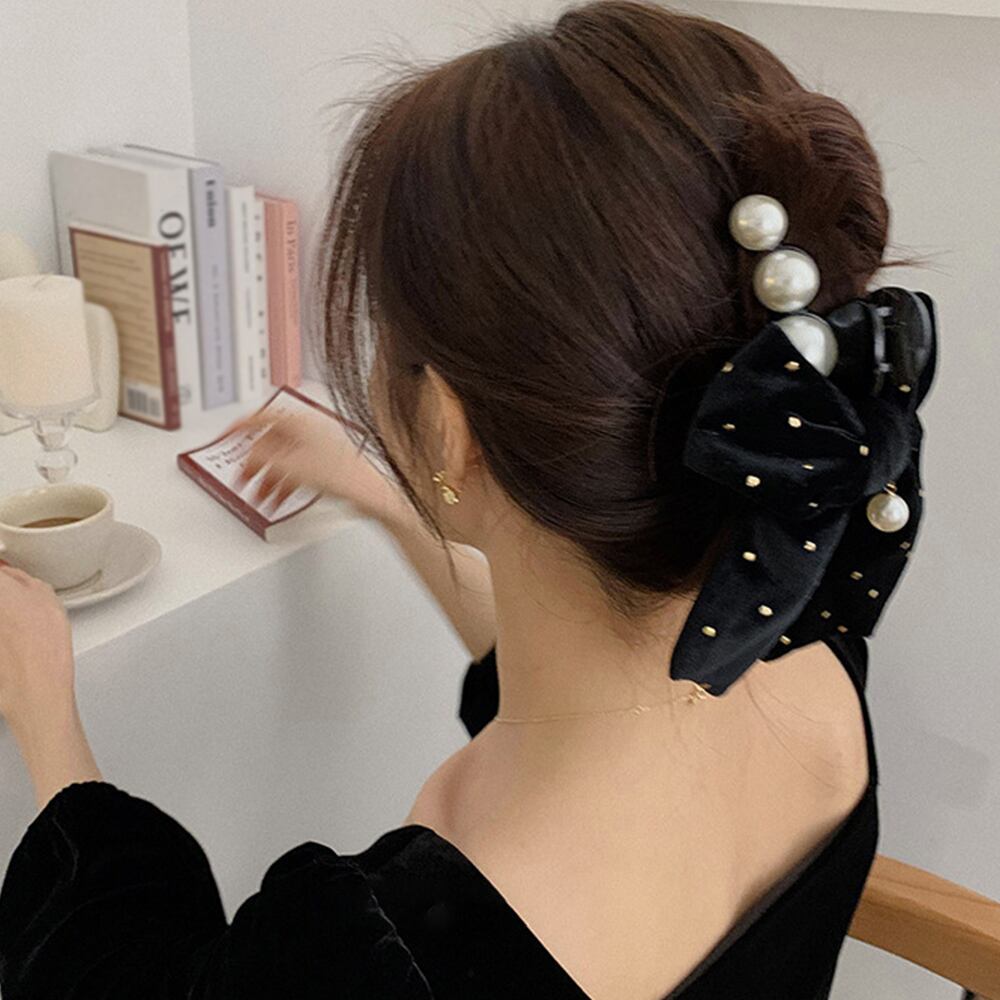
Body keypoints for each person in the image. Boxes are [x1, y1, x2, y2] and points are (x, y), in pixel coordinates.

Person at [0, 1, 938, 997]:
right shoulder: (815, 659)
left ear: (447, 425)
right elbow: (583, 676)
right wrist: (383, 496)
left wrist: (46, 717)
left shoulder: (392, 951)